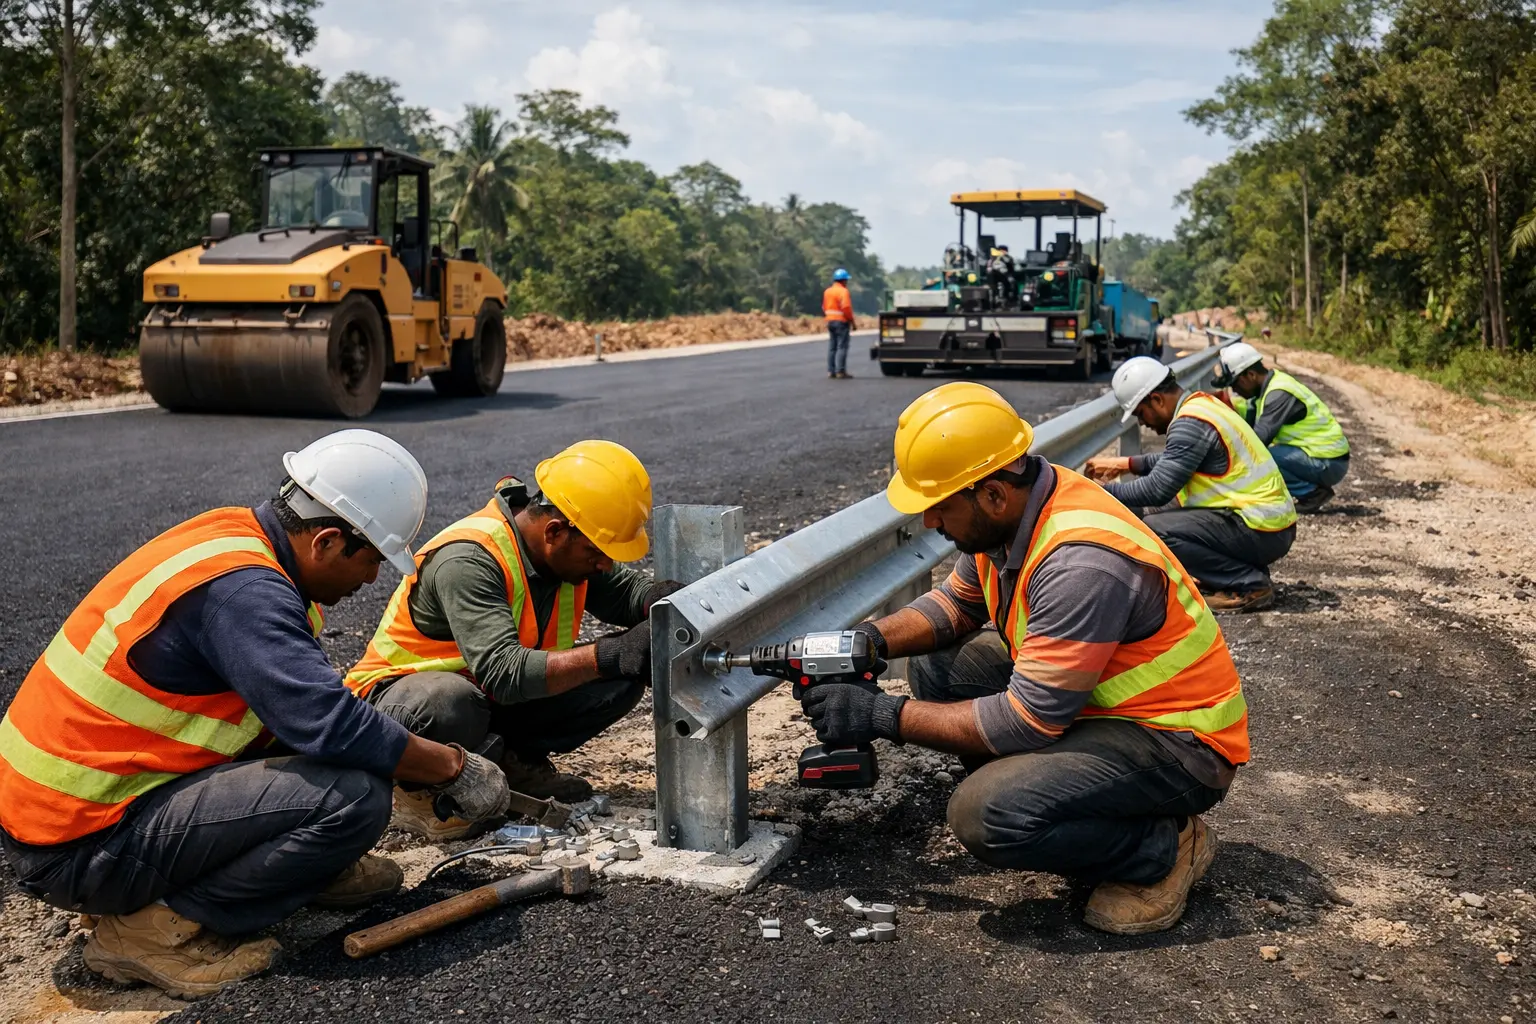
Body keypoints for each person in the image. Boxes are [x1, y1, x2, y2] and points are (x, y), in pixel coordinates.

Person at [0, 431, 510, 999]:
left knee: (335, 767)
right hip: (77, 847)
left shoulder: (234, 536)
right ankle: (149, 930)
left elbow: (290, 713)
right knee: (354, 800)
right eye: (370, 561)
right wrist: (452, 768)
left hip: (78, 812)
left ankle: (311, 867)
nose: (371, 580)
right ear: (326, 542)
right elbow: (329, 723)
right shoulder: (246, 593)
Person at [792, 382, 1247, 935]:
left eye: (940, 507)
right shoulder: (1015, 514)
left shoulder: (1080, 562)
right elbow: (955, 606)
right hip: (1097, 706)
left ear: (992, 495)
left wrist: (881, 717)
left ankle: (1162, 848)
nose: (932, 523)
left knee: (985, 815)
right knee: (939, 665)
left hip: (1176, 743)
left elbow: (1027, 719)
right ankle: (1058, 799)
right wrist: (867, 641)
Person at [345, 440, 681, 838]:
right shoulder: (469, 559)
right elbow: (503, 675)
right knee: (450, 702)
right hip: (400, 708)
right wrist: (608, 653)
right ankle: (416, 790)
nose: (604, 564)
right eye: (597, 553)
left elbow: (625, 594)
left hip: (487, 698)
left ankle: (511, 763)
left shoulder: (564, 550)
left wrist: (658, 601)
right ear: (554, 531)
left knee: (623, 674)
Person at [1083, 356, 1297, 613]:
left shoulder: (1189, 424)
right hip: (1267, 525)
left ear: (1157, 400)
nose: (1142, 423)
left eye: (1141, 414)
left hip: (1261, 528)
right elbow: (1176, 460)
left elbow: (1157, 489)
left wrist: (1096, 493)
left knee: (1156, 528)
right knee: (1153, 515)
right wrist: (1127, 463)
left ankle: (1249, 583)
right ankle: (1237, 570)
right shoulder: (1201, 407)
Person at [1212, 342, 1350, 512]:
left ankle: (1312, 493)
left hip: (1329, 462)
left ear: (1251, 375)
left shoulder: (1279, 393)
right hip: (1320, 456)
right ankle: (1309, 490)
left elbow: (1257, 441)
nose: (1236, 390)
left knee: (1263, 458)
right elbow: (1248, 417)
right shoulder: (1269, 389)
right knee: (1261, 457)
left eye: (1236, 384)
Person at [823, 267, 856, 379]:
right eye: (846, 280)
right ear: (843, 280)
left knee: (832, 347)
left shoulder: (827, 291)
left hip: (830, 321)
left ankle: (830, 371)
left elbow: (824, 307)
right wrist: (852, 321)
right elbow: (846, 308)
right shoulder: (843, 291)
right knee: (842, 346)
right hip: (841, 322)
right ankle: (840, 371)